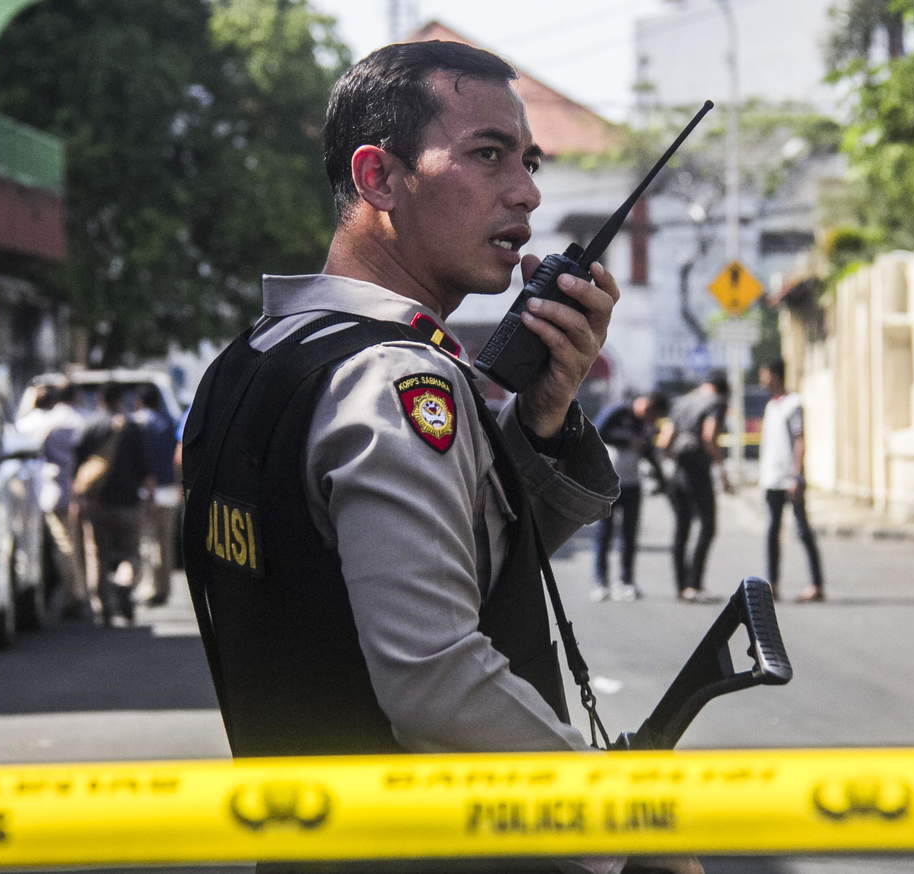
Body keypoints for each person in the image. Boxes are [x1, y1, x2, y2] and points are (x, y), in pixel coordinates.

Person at [182, 41, 700, 874]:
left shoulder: (254, 360)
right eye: (487, 154)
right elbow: (436, 680)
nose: (527, 192)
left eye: (528, 161)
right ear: (379, 178)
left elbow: (431, 577)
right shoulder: (394, 381)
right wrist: (617, 821)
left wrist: (542, 415)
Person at [75, 383, 152, 627]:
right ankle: (123, 583)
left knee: (97, 555)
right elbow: (145, 468)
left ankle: (103, 609)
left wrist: (77, 500)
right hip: (128, 503)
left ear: (100, 399)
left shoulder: (89, 427)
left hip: (96, 503)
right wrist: (149, 497)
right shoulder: (132, 428)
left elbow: (78, 469)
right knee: (131, 554)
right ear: (121, 400)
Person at [657, 371, 733, 603]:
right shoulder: (716, 402)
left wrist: (672, 463)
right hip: (697, 468)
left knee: (682, 527)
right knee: (708, 525)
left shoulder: (682, 401)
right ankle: (694, 583)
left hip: (678, 468)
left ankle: (682, 586)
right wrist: (722, 470)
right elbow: (709, 436)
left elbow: (664, 440)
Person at [591, 391, 668, 601]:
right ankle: (600, 582)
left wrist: (661, 480)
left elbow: (649, 452)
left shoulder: (646, 425)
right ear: (647, 406)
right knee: (604, 534)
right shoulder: (618, 412)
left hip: (633, 483)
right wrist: (627, 440)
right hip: (608, 483)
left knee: (629, 536)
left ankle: (626, 581)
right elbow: (595, 432)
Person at [758, 359, 825, 602]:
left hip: (790, 479)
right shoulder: (770, 406)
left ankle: (816, 584)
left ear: (775, 375)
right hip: (772, 479)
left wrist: (796, 475)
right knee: (772, 532)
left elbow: (799, 439)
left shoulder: (793, 404)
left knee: (802, 531)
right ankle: (772, 584)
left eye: (764, 374)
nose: (761, 379)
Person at [39, 381, 91, 619]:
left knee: (64, 545)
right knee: (82, 545)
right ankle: (83, 593)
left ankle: (74, 594)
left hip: (55, 491)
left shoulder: (47, 422)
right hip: (83, 490)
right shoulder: (83, 421)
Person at [132, 384, 177, 606]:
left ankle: (150, 587)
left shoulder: (137, 423)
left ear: (139, 401)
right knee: (165, 541)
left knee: (148, 541)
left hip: (147, 490)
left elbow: (142, 460)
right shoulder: (169, 423)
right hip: (169, 489)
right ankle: (164, 588)